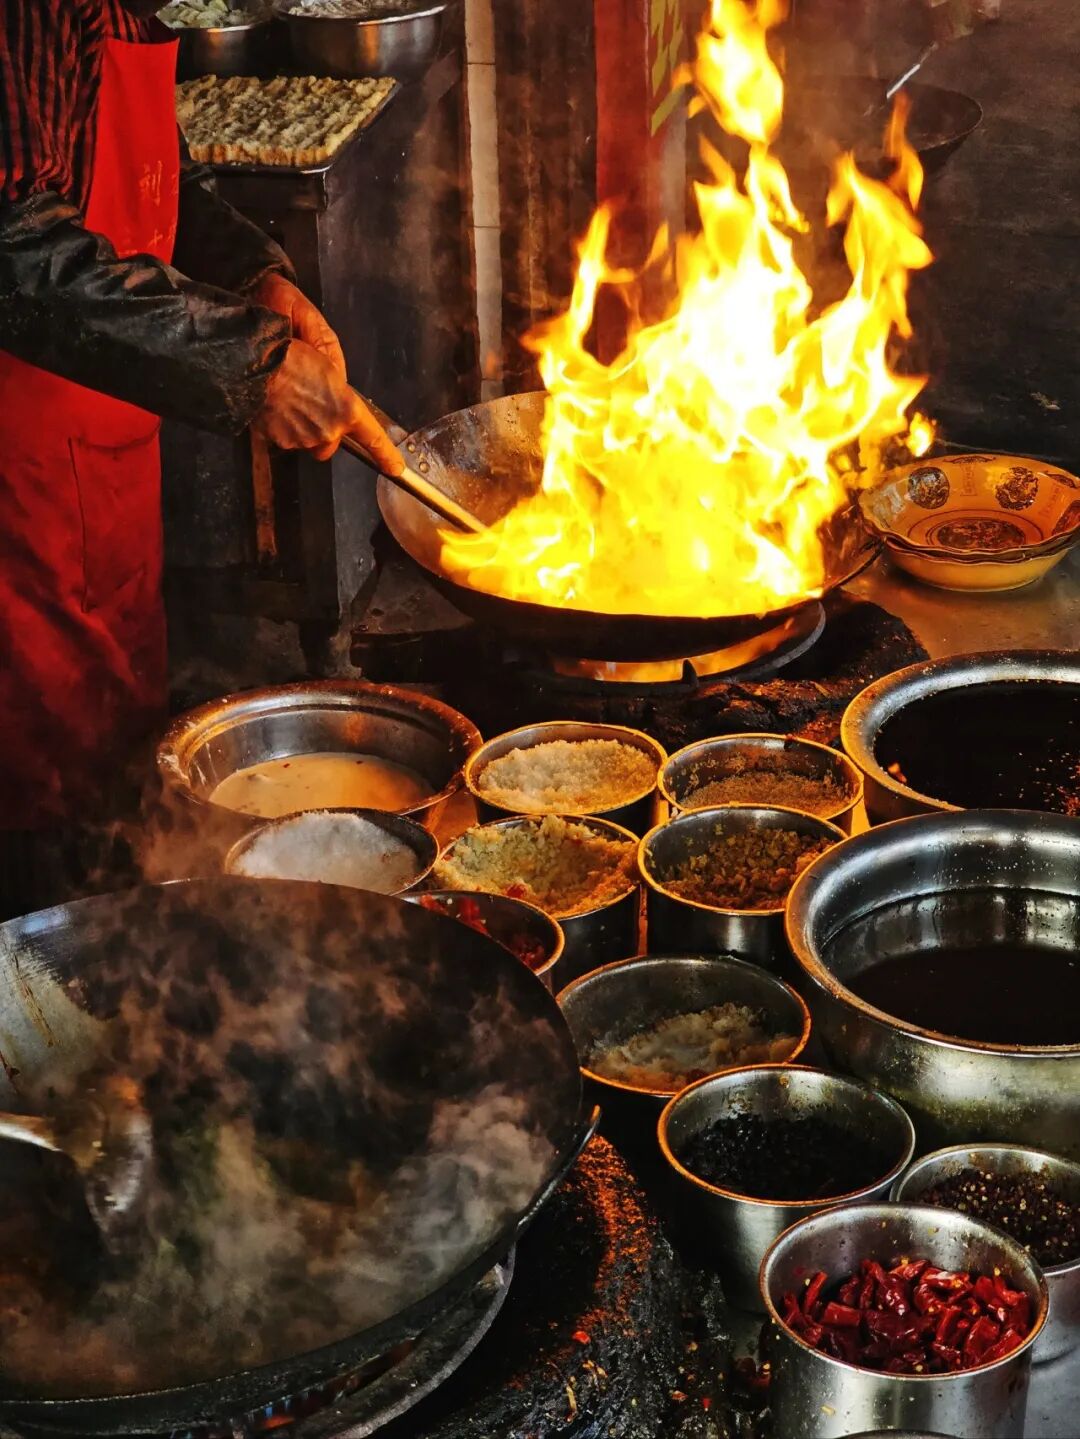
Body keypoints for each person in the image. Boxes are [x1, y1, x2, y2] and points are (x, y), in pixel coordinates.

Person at [0, 0, 403, 914]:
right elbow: (16, 249)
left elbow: (154, 187)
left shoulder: (126, 15)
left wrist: (254, 279)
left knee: (111, 765)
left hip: (99, 469)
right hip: (14, 490)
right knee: (32, 815)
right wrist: (248, 362)